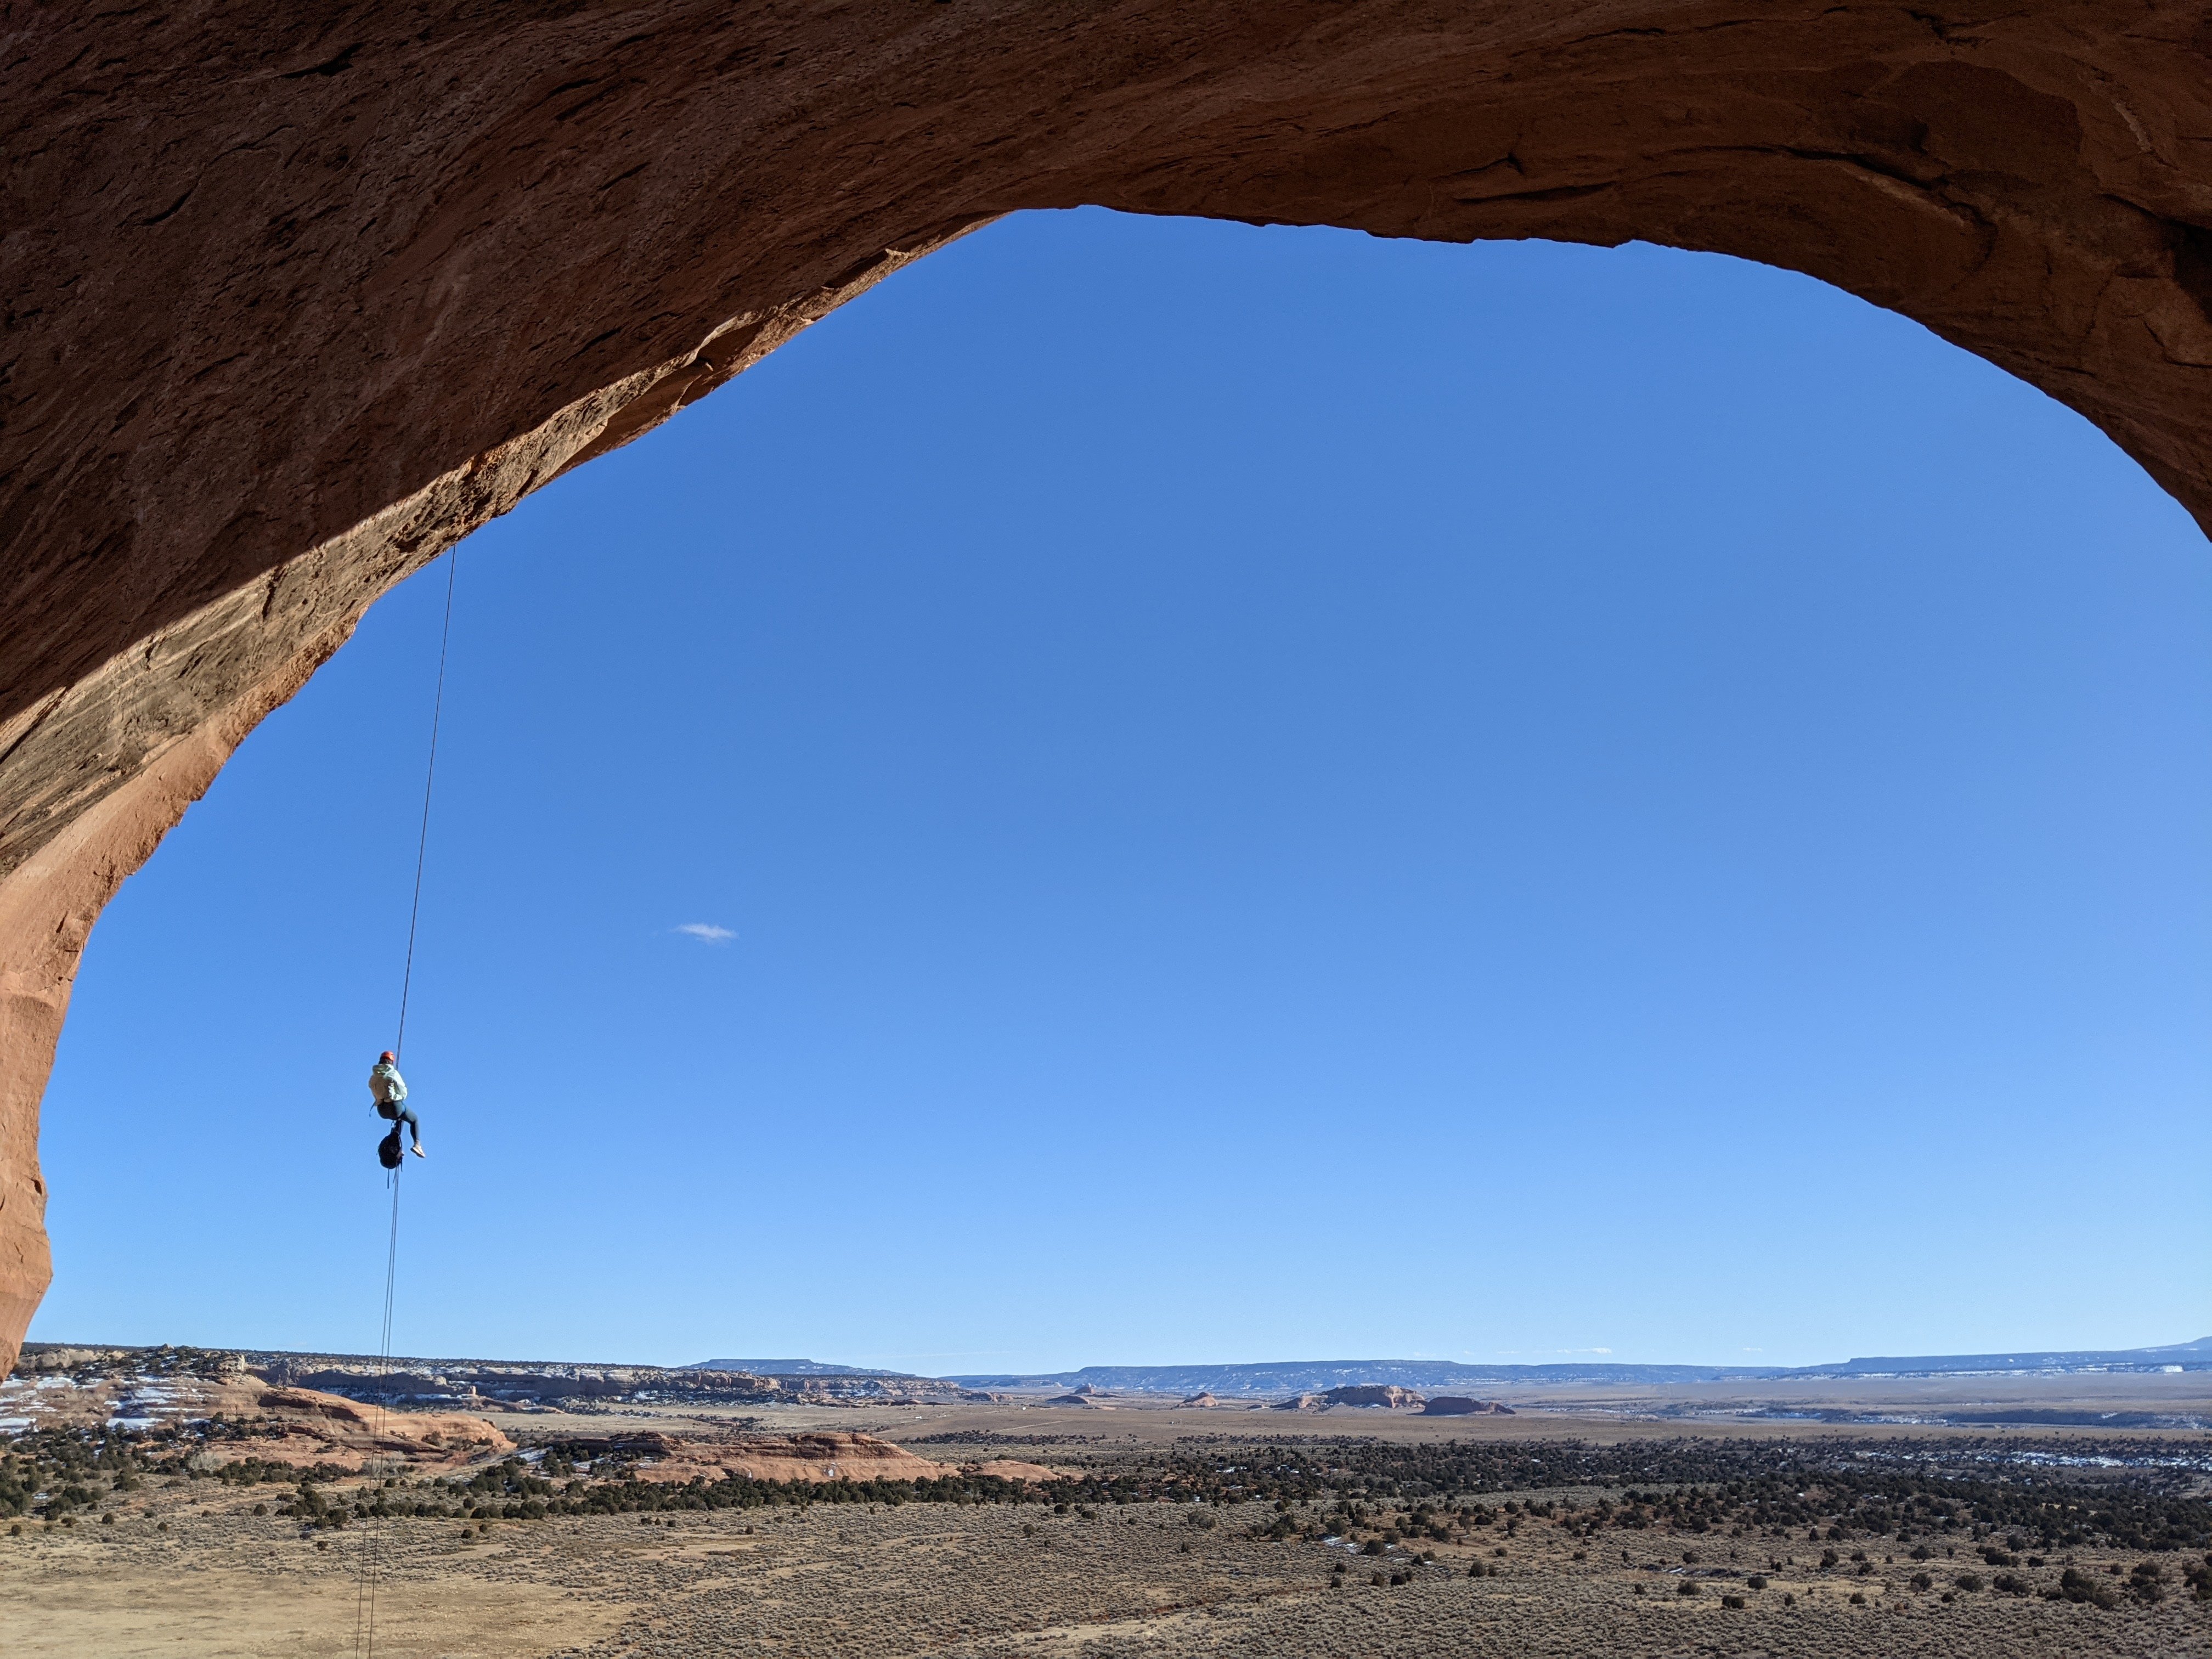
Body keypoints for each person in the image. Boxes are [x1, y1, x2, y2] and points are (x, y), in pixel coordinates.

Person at [369, 1050, 427, 1157]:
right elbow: (403, 1092)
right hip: (395, 1107)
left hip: (381, 1110)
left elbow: (375, 1093)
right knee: (414, 1119)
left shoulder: (373, 1078)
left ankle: (396, 1147)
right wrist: (399, 1097)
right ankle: (417, 1145)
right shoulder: (393, 1073)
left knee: (401, 1118)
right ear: (391, 1062)